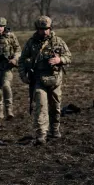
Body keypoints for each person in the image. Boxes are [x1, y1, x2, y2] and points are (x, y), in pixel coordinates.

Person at [18, 16, 71, 145]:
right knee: (41, 106)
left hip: (55, 80)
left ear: (50, 28)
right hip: (38, 80)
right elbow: (22, 60)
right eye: (42, 29)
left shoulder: (58, 41)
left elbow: (68, 56)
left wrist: (60, 60)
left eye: (47, 28)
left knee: (55, 107)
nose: (45, 32)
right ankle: (41, 133)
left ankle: (54, 128)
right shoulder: (31, 43)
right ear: (37, 29)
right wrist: (23, 75)